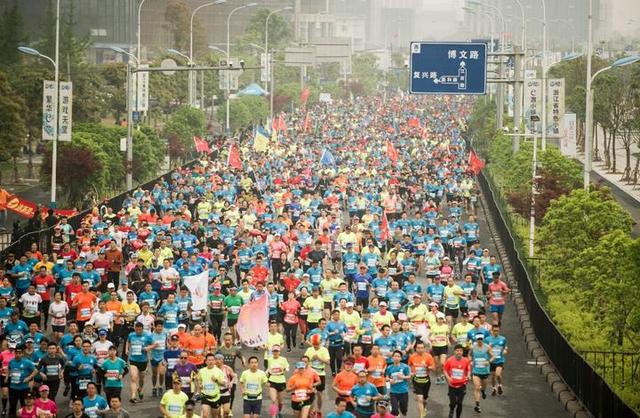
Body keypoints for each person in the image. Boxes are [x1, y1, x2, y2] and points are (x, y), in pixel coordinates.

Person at [125, 322, 155, 403]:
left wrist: (148, 347)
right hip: (133, 360)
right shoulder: (131, 335)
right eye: (136, 329)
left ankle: (140, 389)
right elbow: (128, 342)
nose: (138, 331)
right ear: (134, 328)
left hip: (143, 361)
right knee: (133, 377)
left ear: (142, 329)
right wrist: (127, 349)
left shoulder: (147, 336)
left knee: (141, 379)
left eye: (140, 330)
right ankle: (133, 396)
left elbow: (154, 344)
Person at [7, 345, 37, 418]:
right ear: (15, 353)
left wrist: (29, 378)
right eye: (16, 353)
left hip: (24, 388)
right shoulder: (11, 361)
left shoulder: (27, 362)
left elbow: (35, 370)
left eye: (20, 353)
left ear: (22, 353)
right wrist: (7, 376)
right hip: (13, 388)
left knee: (24, 406)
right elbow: (9, 369)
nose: (18, 355)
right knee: (12, 405)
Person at [407, 341, 436, 418]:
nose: (420, 349)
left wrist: (426, 366)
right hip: (416, 380)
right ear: (415, 348)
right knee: (420, 399)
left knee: (424, 399)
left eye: (422, 348)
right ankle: (421, 416)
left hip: (426, 380)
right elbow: (409, 366)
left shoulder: (428, 356)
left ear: (424, 348)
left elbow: (433, 369)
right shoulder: (412, 357)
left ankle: (424, 407)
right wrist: (410, 373)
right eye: (418, 348)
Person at [304, 334, 330, 415]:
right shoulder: (309, 350)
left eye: (317, 345)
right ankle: (311, 410)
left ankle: (319, 410)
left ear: (321, 342)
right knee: (310, 393)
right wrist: (311, 359)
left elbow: (328, 362)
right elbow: (304, 362)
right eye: (314, 345)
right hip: (310, 373)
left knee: (319, 394)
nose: (315, 346)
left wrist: (319, 358)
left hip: (320, 373)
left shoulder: (324, 350)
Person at [443, 344, 471, 418]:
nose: (459, 352)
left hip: (462, 385)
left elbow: (468, 370)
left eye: (460, 351)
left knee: (459, 403)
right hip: (452, 385)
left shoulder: (466, 360)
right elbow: (445, 370)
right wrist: (448, 378)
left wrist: (468, 375)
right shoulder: (449, 360)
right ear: (454, 351)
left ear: (462, 352)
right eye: (457, 350)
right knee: (453, 403)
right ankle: (451, 409)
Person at [470, 334, 494, 414]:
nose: (480, 340)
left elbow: (493, 356)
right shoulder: (473, 347)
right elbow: (469, 356)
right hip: (476, 371)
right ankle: (477, 405)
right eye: (478, 339)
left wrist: (489, 361)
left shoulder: (487, 347)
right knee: (477, 387)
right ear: (476, 340)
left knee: (483, 386)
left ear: (483, 339)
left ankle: (483, 391)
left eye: (481, 339)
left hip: (485, 371)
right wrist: (471, 361)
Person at [195, 353, 225, 418]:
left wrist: (216, 380)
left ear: (214, 361)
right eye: (209, 360)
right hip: (205, 396)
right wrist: (199, 385)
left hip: (215, 397)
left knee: (215, 416)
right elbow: (198, 380)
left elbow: (223, 383)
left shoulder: (219, 371)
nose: (210, 362)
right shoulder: (201, 371)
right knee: (205, 415)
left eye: (212, 360)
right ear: (205, 362)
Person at [384, 351, 410, 418]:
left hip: (403, 391)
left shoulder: (405, 367)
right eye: (395, 356)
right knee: (394, 409)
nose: (396, 358)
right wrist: (390, 380)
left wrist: (403, 377)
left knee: (404, 408)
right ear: (392, 357)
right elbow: (386, 377)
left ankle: (403, 411)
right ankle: (396, 415)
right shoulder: (389, 367)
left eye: (398, 356)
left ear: (401, 358)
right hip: (393, 392)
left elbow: (409, 376)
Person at [265, 345, 289, 418]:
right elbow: (268, 369)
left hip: (281, 381)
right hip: (272, 380)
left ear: (279, 352)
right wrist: (266, 378)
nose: (275, 353)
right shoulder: (269, 359)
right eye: (274, 351)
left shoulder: (283, 359)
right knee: (273, 400)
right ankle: (273, 416)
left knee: (280, 402)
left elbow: (287, 368)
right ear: (272, 352)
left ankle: (279, 412)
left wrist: (284, 368)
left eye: (277, 351)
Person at [486, 323, 508, 396]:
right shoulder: (487, 339)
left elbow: (505, 347)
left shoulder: (503, 339)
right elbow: (484, 349)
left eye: (497, 331)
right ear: (492, 331)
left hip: (500, 360)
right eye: (495, 331)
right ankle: (494, 388)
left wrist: (505, 350)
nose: (496, 332)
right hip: (492, 360)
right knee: (492, 376)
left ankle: (499, 385)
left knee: (498, 374)